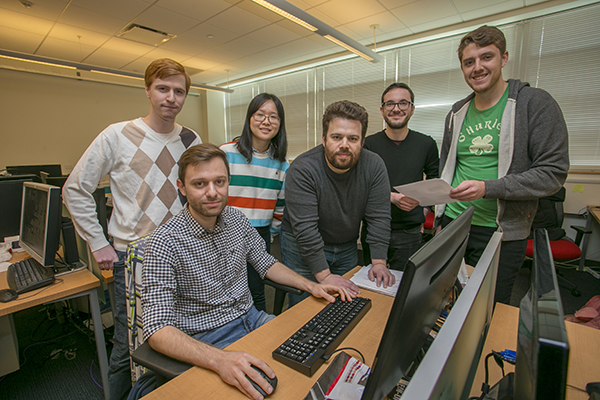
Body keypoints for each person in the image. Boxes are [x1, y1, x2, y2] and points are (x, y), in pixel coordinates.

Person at [137, 144, 352, 400]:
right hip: (208, 339)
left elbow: (265, 262)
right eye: (199, 184)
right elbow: (157, 330)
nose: (212, 192)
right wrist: (219, 360)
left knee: (322, 357)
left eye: (219, 181)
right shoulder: (164, 242)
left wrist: (311, 285)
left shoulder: (238, 220)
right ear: (181, 187)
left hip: (253, 320)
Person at [62, 58, 201, 400]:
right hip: (134, 256)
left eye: (179, 91)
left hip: (181, 251)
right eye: (163, 88)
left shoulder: (190, 138)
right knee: (129, 342)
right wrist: (97, 243)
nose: (171, 97)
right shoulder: (117, 134)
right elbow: (74, 189)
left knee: (180, 333)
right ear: (148, 90)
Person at [435, 25, 569, 304]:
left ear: (504, 58)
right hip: (453, 225)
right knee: (445, 302)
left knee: (488, 309)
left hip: (500, 232)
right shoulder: (457, 112)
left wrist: (489, 188)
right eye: (469, 62)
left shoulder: (533, 104)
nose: (477, 67)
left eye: (487, 57)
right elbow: (447, 167)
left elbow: (552, 173)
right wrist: (437, 209)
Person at [280, 100, 396, 307]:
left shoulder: (374, 165)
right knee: (305, 308)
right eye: (336, 137)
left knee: (344, 306)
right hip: (302, 246)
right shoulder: (302, 168)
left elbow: (379, 216)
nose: (344, 144)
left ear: (362, 142)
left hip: (345, 245)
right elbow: (305, 229)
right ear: (324, 140)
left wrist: (379, 262)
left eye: (353, 138)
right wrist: (324, 276)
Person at [220, 93, 289, 312]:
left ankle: (258, 336)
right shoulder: (226, 153)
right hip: (225, 232)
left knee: (256, 289)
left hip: (260, 234)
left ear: (280, 123)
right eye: (260, 114)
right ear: (249, 118)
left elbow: (280, 205)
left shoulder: (281, 162)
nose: (266, 121)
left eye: (273, 117)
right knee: (225, 290)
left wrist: (272, 232)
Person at [361, 83, 439, 271]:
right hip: (373, 228)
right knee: (370, 284)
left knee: (403, 287)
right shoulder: (367, 145)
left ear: (412, 109)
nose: (396, 109)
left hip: (409, 231)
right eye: (390, 104)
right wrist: (392, 197)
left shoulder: (426, 143)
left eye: (403, 103)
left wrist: (425, 210)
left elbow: (433, 180)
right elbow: (360, 185)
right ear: (382, 110)